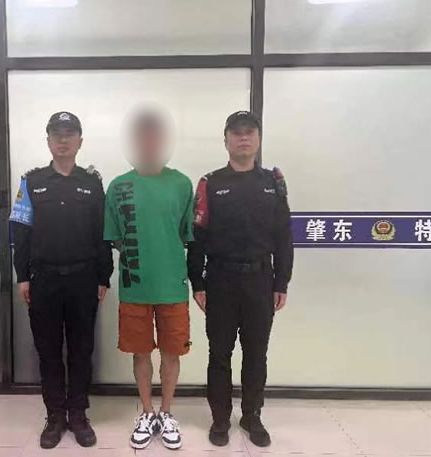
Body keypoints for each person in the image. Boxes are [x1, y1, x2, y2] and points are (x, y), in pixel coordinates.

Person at [187, 111, 293, 448]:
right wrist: (197, 282)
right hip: (220, 280)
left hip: (260, 281)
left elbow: (284, 237)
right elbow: (197, 238)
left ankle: (251, 415)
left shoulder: (272, 183)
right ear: (226, 141)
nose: (243, 138)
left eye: (249, 132)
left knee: (256, 353)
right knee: (219, 353)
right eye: (236, 133)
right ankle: (220, 418)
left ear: (258, 139)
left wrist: (281, 282)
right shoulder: (210, 183)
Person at [10, 111, 113, 449]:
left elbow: (102, 233)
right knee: (49, 351)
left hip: (84, 279)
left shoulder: (92, 183)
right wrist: (23, 276)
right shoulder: (31, 182)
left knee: (82, 350)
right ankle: (55, 416)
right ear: (48, 141)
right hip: (45, 280)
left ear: (80, 141)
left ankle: (78, 415)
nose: (63, 140)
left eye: (69, 134)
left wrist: (103, 276)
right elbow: (20, 232)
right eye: (57, 134)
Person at [104, 109, 194, 451]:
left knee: (172, 353)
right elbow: (114, 238)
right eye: (142, 135)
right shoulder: (118, 187)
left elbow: (187, 235)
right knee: (140, 353)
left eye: (155, 135)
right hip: (135, 286)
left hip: (172, 286)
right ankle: (146, 413)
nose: (149, 141)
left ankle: (166, 413)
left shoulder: (182, 184)